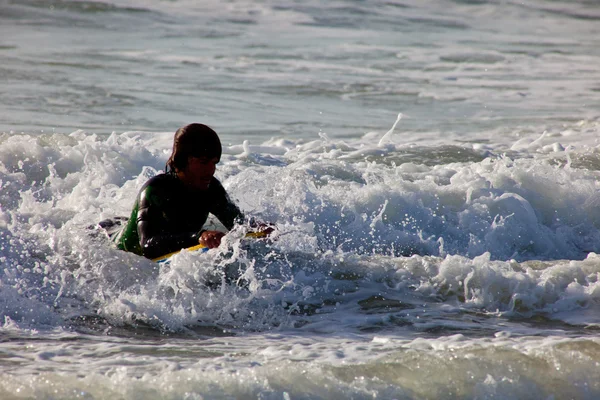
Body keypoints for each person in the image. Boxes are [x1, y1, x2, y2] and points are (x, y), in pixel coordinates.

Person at [108, 123, 268, 260]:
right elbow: (148, 246)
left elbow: (237, 223)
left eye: (214, 162)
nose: (211, 170)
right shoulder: (155, 190)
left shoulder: (211, 188)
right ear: (182, 160)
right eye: (203, 162)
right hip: (115, 246)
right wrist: (198, 237)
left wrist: (258, 228)